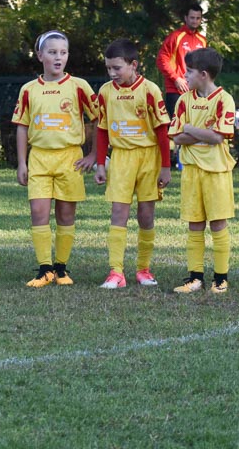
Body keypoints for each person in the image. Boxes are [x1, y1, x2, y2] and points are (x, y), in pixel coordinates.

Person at [12, 30, 97, 287]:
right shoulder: (28, 90)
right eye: (52, 52)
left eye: (63, 52)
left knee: (66, 214)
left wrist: (94, 154)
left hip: (69, 158)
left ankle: (61, 268)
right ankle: (44, 269)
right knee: (38, 212)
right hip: (39, 158)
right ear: (40, 56)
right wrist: (22, 162)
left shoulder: (79, 86)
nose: (58, 58)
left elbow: (98, 120)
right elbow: (22, 126)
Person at [93, 39, 171, 289]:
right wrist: (101, 163)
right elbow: (102, 129)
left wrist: (166, 166)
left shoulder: (149, 90)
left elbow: (162, 130)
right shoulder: (105, 92)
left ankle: (143, 269)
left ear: (133, 65)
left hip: (148, 158)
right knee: (118, 213)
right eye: (108, 68)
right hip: (121, 158)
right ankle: (116, 272)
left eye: (117, 68)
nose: (112, 73)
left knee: (146, 216)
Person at [168, 48, 236, 294]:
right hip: (191, 170)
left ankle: (221, 278)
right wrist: (203, 134)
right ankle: (195, 277)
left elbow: (218, 137)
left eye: (189, 71)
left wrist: (189, 128)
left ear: (204, 74)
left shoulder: (224, 99)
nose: (185, 76)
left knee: (217, 223)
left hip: (216, 171)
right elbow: (176, 137)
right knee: (194, 224)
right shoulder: (184, 101)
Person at [156, 4, 207, 118]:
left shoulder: (202, 40)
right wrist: (176, 78)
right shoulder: (175, 37)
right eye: (192, 17)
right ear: (186, 18)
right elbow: (161, 60)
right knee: (177, 126)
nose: (195, 21)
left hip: (196, 92)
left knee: (195, 125)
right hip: (176, 90)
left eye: (198, 18)